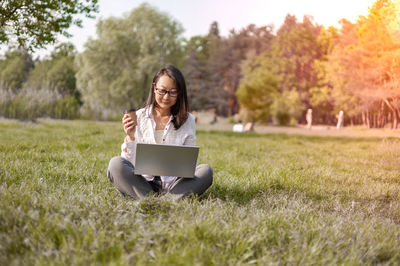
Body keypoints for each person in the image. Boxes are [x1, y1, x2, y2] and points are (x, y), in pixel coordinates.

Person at [107, 65, 213, 199]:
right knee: (115, 164)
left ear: (180, 93)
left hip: (174, 184)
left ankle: (158, 200)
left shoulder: (188, 120)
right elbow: (129, 163)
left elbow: (191, 165)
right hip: (143, 181)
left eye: (172, 92)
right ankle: (160, 200)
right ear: (154, 88)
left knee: (206, 171)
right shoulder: (139, 116)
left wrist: (184, 169)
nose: (166, 97)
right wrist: (130, 137)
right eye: (162, 91)